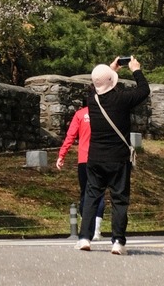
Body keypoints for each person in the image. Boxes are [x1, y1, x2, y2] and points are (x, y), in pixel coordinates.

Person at [76, 56, 149, 256]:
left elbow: (98, 84)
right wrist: (136, 70)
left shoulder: (92, 100)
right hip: (118, 158)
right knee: (119, 199)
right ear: (112, 81)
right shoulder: (122, 99)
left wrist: (110, 69)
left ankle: (84, 237)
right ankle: (117, 241)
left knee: (91, 196)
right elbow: (144, 90)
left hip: (95, 157)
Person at [56, 104, 106, 240]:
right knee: (100, 194)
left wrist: (62, 155)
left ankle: (86, 229)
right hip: (101, 158)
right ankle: (96, 229)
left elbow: (70, 135)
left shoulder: (80, 114)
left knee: (85, 193)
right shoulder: (105, 112)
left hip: (84, 159)